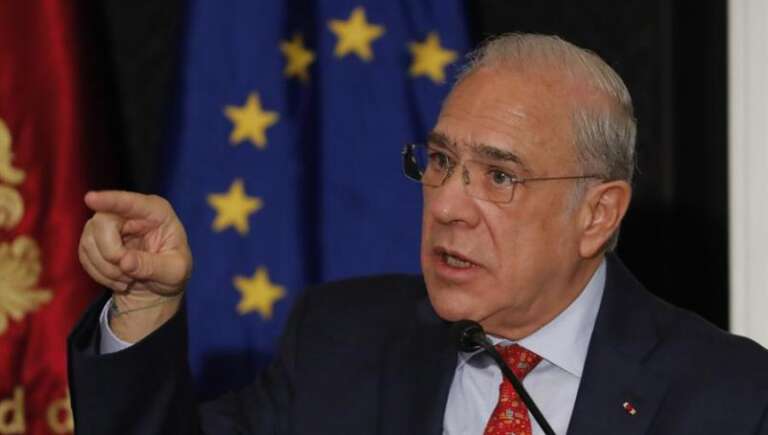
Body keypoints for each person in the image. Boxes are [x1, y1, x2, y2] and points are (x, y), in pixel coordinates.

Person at [69, 33, 768, 435]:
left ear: (598, 214)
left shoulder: (729, 397)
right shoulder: (341, 341)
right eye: (439, 162)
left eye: (499, 176)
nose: (449, 205)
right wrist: (144, 308)